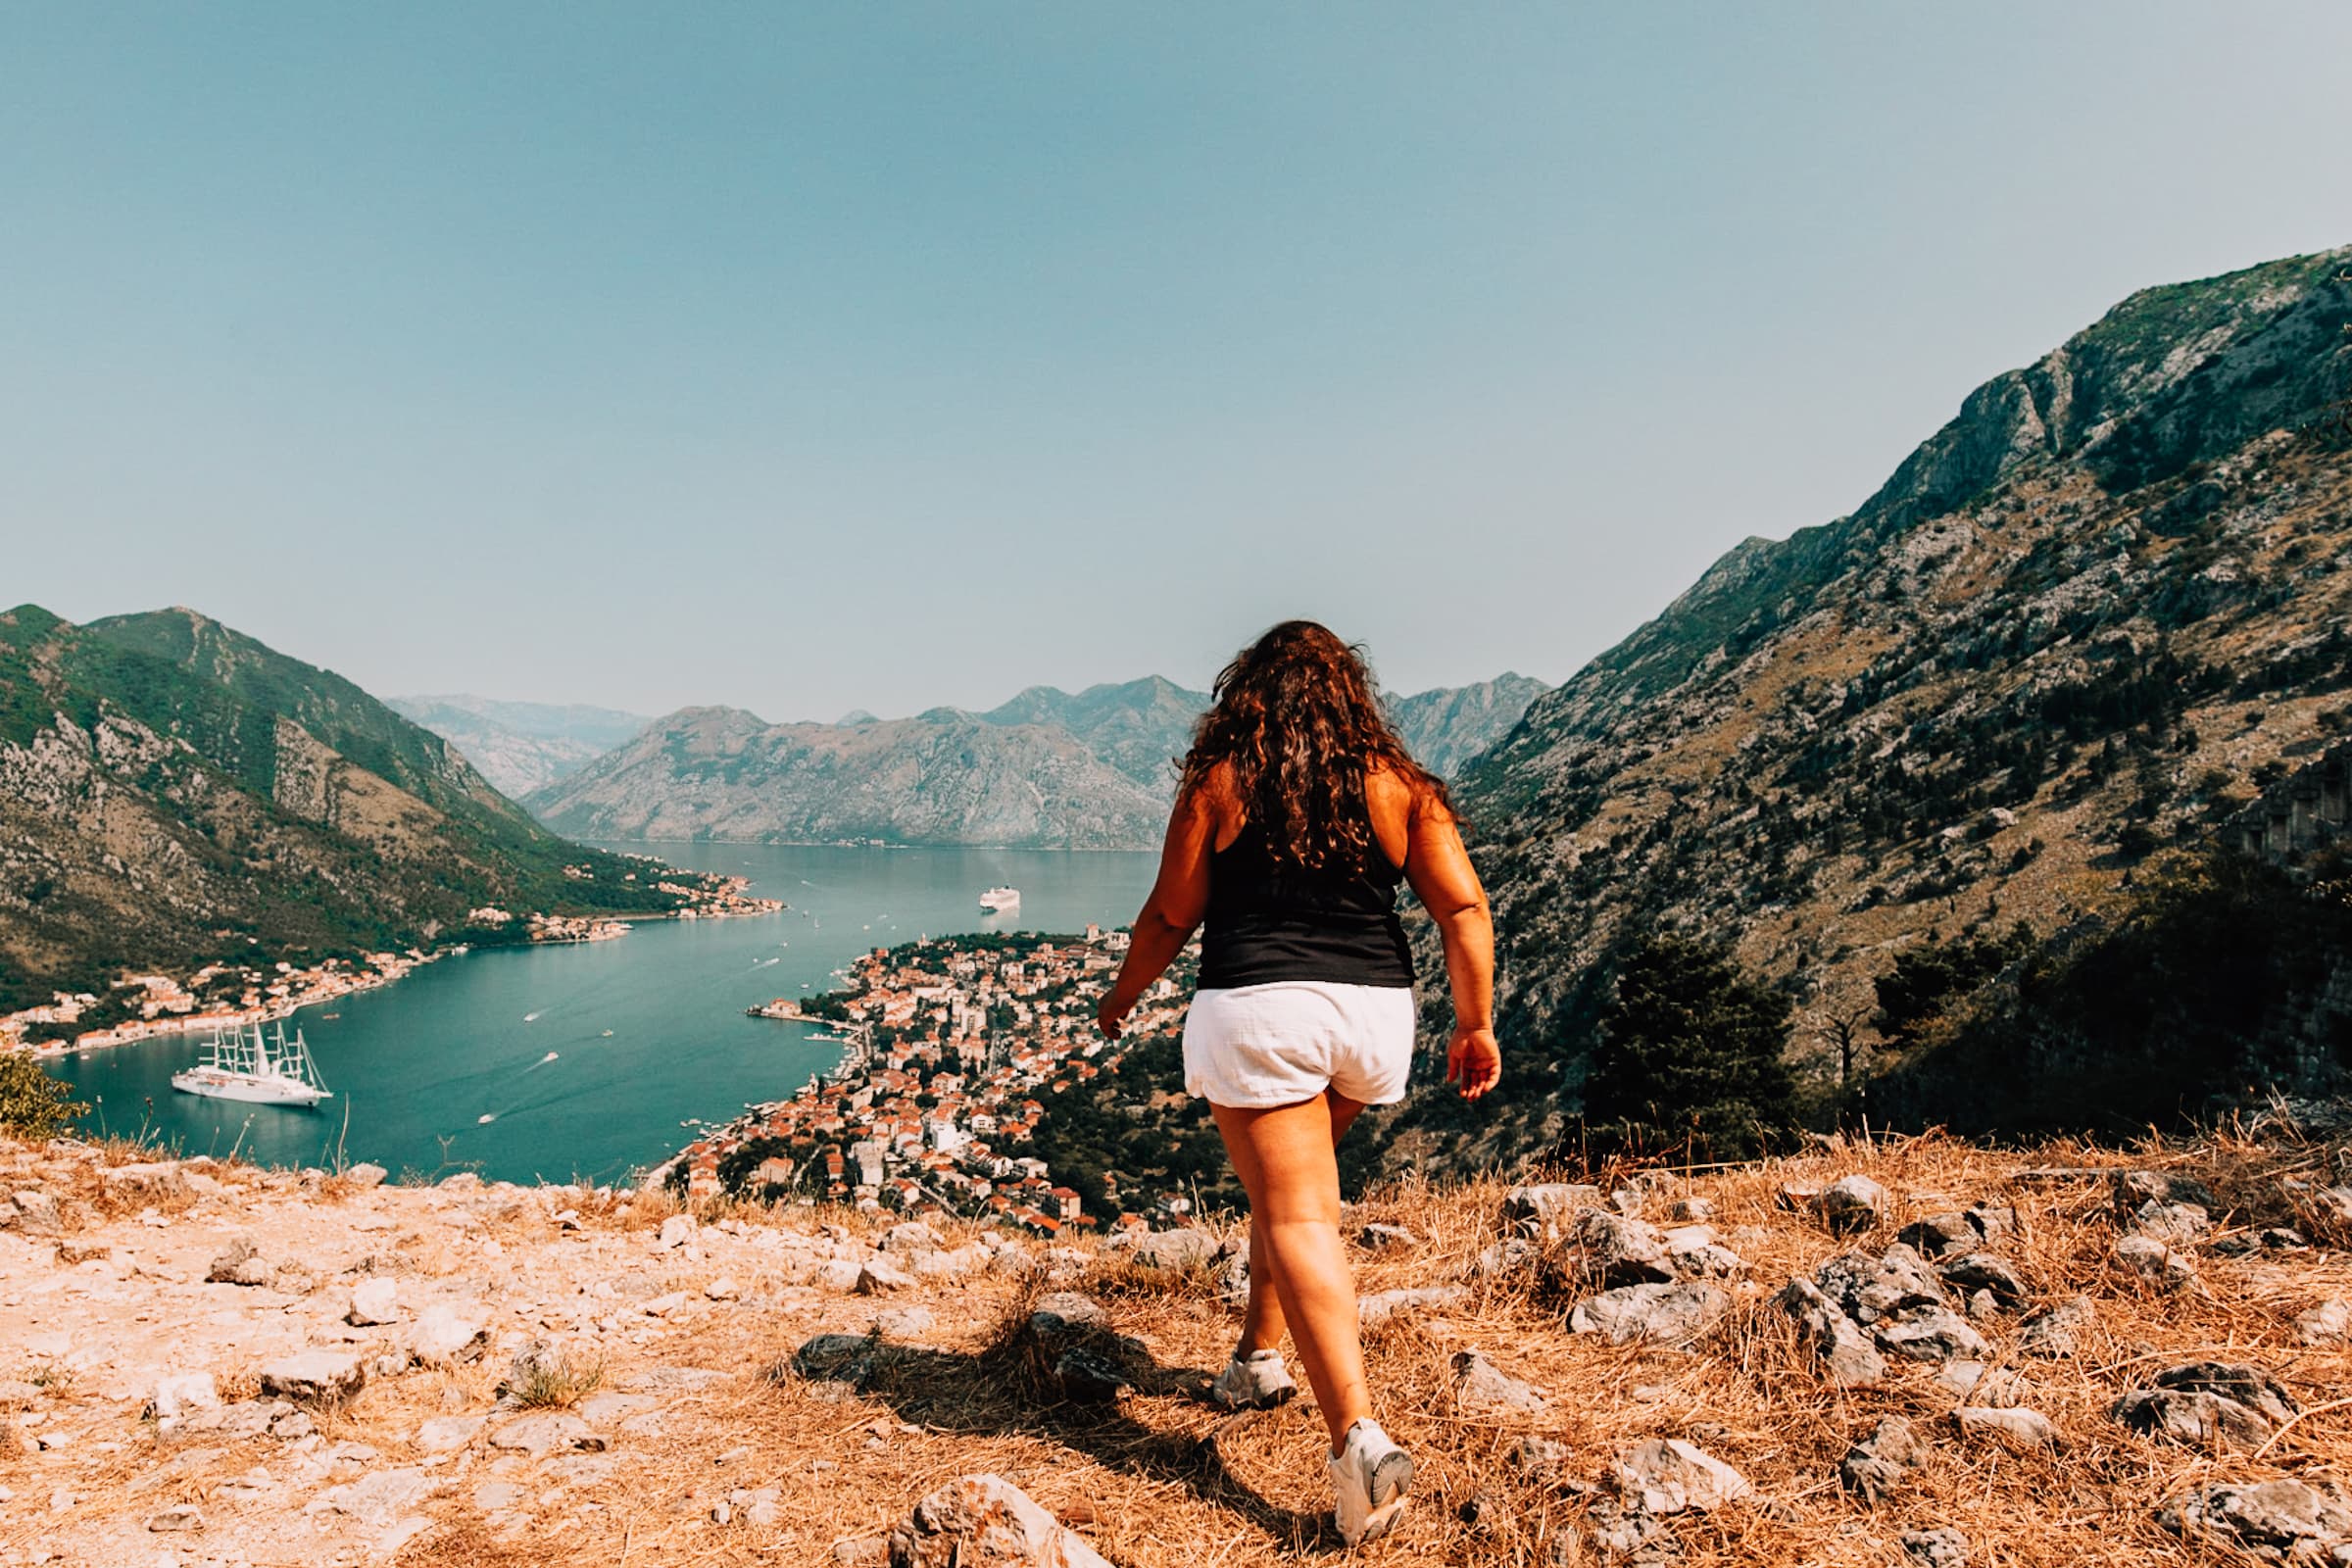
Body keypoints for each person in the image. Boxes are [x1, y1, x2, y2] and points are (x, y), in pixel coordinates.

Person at [1096, 619, 1500, 1548]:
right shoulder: (1401, 786)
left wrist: (1123, 996)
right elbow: (1464, 907)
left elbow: (1168, 913)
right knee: (1292, 1195)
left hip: (1263, 1010)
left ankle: (1356, 1437)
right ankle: (1255, 1357)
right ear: (1352, 692)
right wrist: (1474, 1023)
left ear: (1248, 694)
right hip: (1372, 1020)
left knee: (1300, 1213)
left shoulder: (1223, 781)